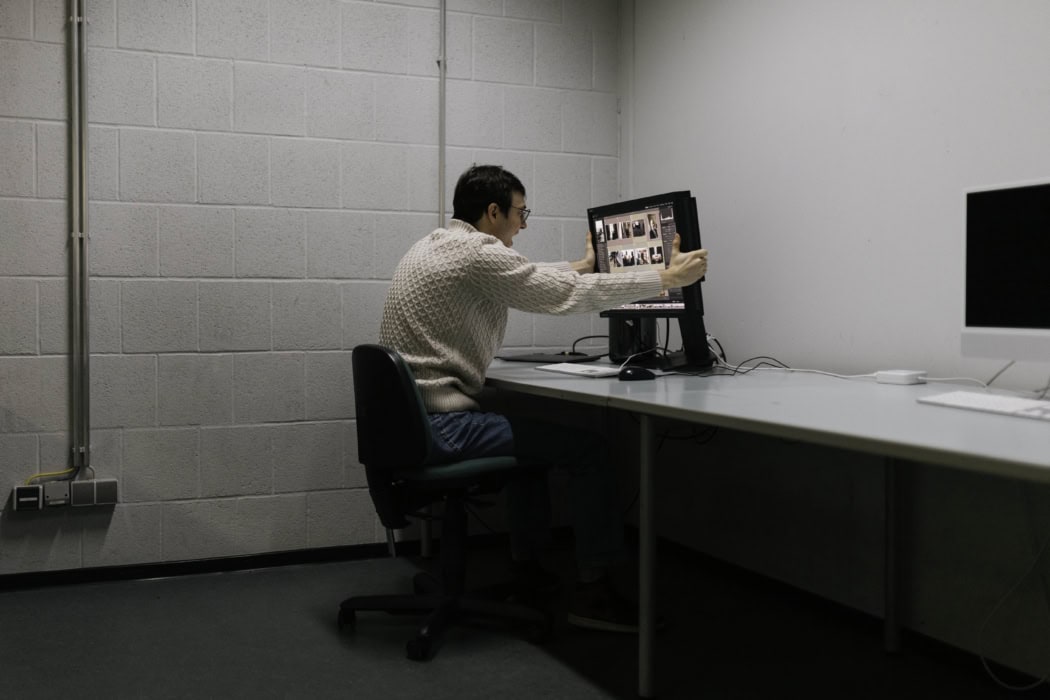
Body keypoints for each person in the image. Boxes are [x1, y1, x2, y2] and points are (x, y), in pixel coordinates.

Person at [378, 165, 708, 632]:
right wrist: (666, 277)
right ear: (494, 212)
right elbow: (557, 293)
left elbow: (527, 277)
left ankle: (528, 571)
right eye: (521, 213)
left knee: (531, 449)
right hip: (443, 427)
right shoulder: (479, 253)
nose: (524, 224)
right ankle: (593, 594)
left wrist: (582, 266)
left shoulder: (436, 244)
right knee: (590, 450)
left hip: (411, 425)